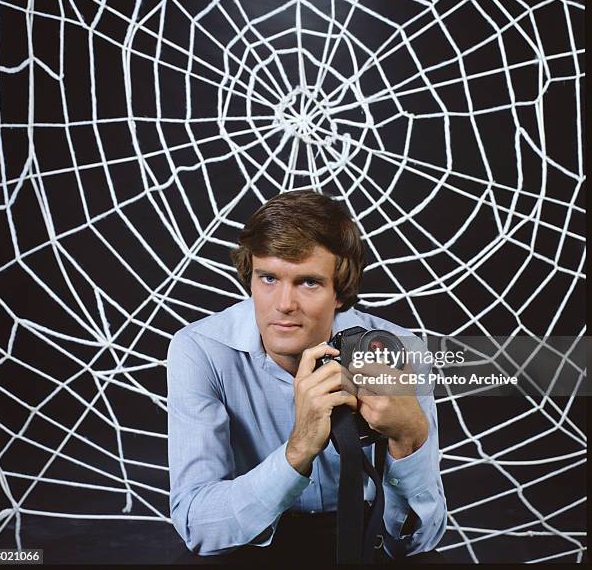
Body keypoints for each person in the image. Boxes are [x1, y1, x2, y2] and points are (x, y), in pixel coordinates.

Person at [167, 190, 447, 564]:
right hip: (252, 538)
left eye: (308, 282)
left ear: (340, 293)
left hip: (362, 533)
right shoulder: (200, 350)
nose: (284, 304)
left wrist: (410, 440)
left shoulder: (397, 351)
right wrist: (297, 450)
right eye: (268, 278)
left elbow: (418, 544)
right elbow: (198, 528)